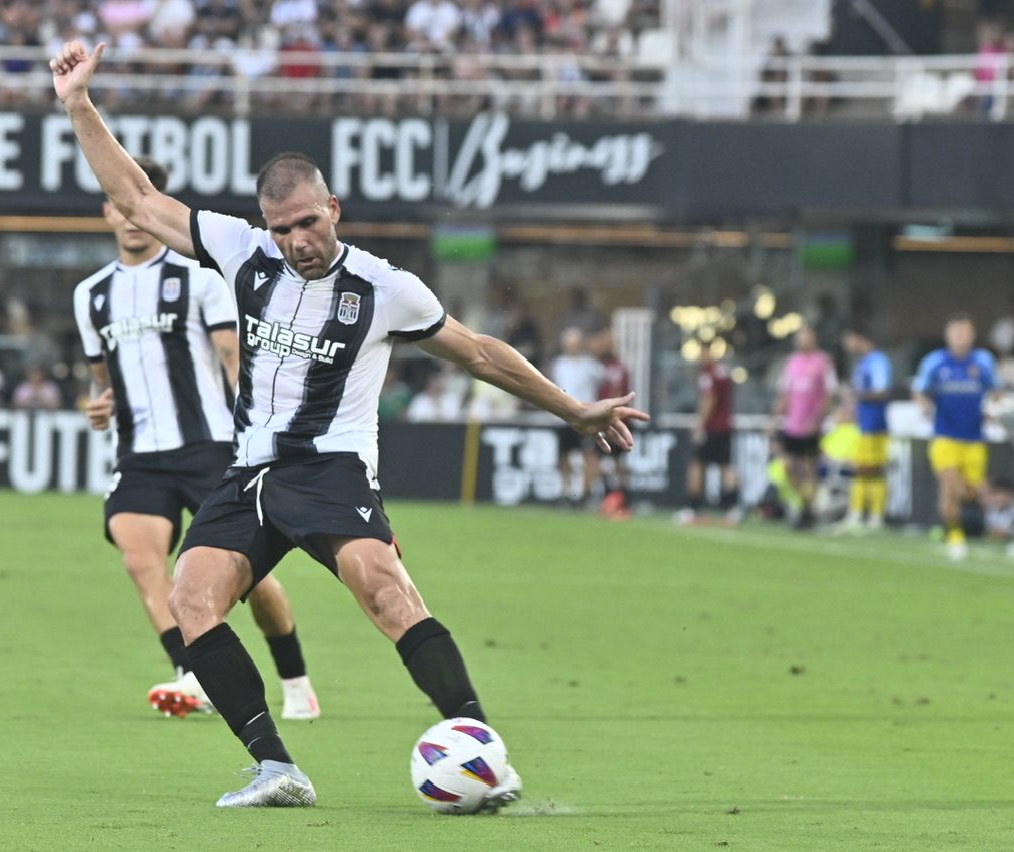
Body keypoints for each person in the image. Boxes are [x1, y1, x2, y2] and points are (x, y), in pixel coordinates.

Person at [51, 40, 647, 810]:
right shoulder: (242, 252)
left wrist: (573, 409)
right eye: (280, 228)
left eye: (306, 222)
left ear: (331, 209)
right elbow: (136, 199)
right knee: (189, 599)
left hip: (331, 469)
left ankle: (480, 749)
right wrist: (77, 104)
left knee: (387, 594)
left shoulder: (383, 287)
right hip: (250, 473)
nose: (295, 241)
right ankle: (275, 766)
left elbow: (479, 354)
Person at [73, 155, 320, 722]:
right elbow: (101, 378)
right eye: (122, 205)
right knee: (142, 562)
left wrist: (259, 427)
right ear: (108, 210)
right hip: (137, 455)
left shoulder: (200, 277)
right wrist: (98, 404)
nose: (133, 217)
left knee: (250, 578)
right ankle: (192, 672)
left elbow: (233, 358)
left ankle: (296, 679)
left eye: (146, 202)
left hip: (209, 449)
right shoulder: (91, 295)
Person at [913, 314, 1001, 560]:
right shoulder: (935, 362)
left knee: (970, 492)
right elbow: (920, 391)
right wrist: (924, 406)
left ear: (972, 336)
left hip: (974, 437)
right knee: (949, 484)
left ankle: (951, 526)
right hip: (945, 435)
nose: (961, 338)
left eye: (966, 333)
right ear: (948, 335)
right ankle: (954, 534)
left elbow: (995, 391)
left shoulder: (983, 362)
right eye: (957, 333)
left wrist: (993, 408)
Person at [773, 325, 836, 529]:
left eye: (806, 337)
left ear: (814, 339)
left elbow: (829, 394)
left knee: (809, 469)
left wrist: (817, 419)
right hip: (792, 424)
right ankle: (804, 504)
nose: (803, 341)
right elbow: (785, 394)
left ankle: (808, 510)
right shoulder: (792, 362)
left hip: (810, 426)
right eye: (800, 338)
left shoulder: (823, 362)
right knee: (789, 467)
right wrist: (774, 418)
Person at [836, 328, 892, 533]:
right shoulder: (862, 362)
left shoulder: (877, 361)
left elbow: (881, 391)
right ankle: (861, 513)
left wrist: (854, 395)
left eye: (849, 340)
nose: (847, 346)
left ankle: (872, 514)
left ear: (860, 339)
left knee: (871, 469)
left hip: (875, 423)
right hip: (863, 423)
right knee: (862, 469)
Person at [675, 350, 740, 526]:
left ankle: (692, 509)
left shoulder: (708, 375)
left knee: (696, 465)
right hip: (725, 426)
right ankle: (733, 509)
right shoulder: (724, 372)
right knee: (726, 467)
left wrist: (700, 425)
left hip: (712, 428)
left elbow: (709, 400)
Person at [551, 327, 600, 506]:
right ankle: (566, 491)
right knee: (564, 457)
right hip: (563, 416)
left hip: (586, 416)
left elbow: (602, 382)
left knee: (588, 455)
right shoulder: (559, 364)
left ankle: (586, 493)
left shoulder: (591, 364)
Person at [593, 329, 631, 518]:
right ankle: (611, 498)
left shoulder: (616, 368)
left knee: (616, 461)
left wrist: (609, 418)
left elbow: (617, 394)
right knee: (605, 461)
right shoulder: (601, 366)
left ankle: (621, 500)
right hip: (602, 420)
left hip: (614, 421)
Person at [982, 478, 1014, 557]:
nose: (998, 498)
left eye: (1001, 494)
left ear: (1009, 494)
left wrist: (1009, 532)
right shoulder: (993, 511)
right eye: (996, 494)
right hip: (1002, 547)